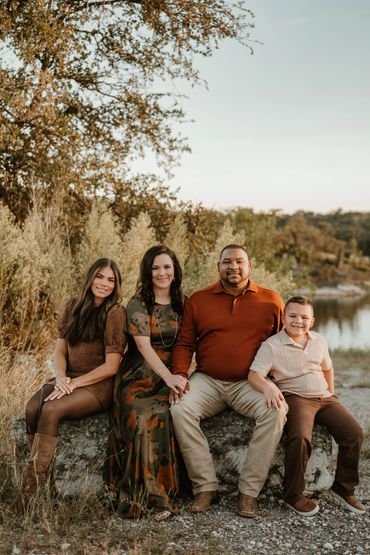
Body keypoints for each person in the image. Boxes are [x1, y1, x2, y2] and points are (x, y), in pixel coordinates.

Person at [170, 244, 288, 518]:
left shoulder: (271, 300)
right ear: (218, 266)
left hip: (250, 383)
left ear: (249, 265)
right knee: (180, 408)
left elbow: (284, 344)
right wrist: (179, 375)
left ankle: (249, 493)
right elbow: (185, 343)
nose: (233, 267)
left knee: (276, 410)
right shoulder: (198, 300)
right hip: (208, 380)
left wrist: (276, 383)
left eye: (239, 262)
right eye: (227, 262)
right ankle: (205, 487)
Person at [17, 258, 126, 511]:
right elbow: (59, 350)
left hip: (98, 384)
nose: (104, 284)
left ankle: (28, 496)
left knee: (52, 410)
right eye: (100, 277)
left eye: (111, 280)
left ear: (116, 285)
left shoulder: (115, 313)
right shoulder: (72, 305)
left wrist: (74, 384)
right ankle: (45, 488)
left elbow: (112, 366)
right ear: (90, 277)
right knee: (33, 407)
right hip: (69, 378)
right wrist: (61, 378)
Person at [248, 295, 365, 516]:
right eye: (292, 316)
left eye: (304, 317)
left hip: (325, 398)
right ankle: (293, 495)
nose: (298, 321)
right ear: (284, 317)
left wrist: (331, 393)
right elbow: (254, 375)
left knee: (354, 433)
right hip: (297, 398)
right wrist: (268, 387)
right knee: (300, 438)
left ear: (312, 321)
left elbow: (327, 368)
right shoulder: (271, 345)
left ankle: (343, 488)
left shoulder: (319, 340)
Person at [105, 245, 188, 521]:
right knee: (143, 418)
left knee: (169, 413)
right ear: (147, 272)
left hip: (172, 374)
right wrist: (169, 379)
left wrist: (181, 379)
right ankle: (146, 497)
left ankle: (167, 491)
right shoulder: (138, 302)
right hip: (138, 377)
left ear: (175, 270)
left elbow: (188, 345)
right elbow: (143, 347)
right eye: (155, 268)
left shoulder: (183, 303)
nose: (162, 273)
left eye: (166, 267)